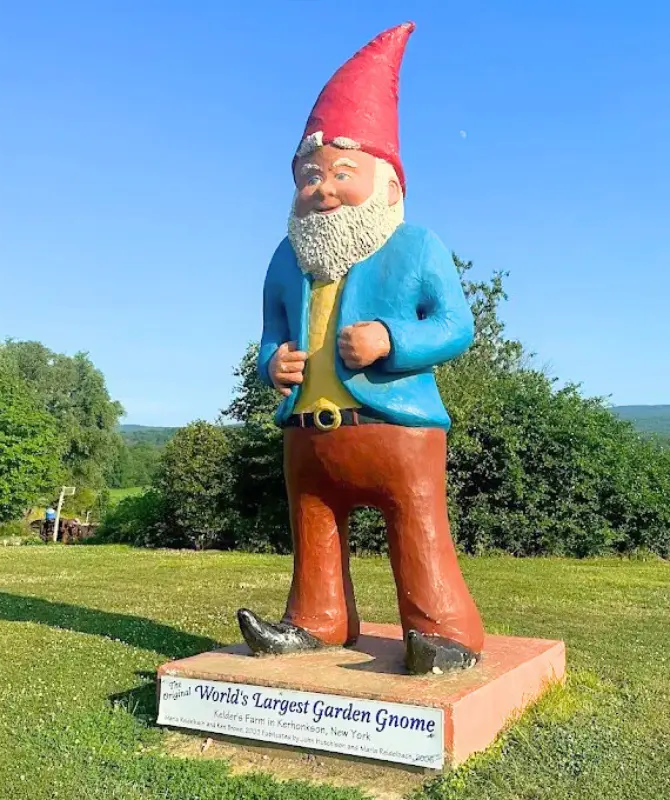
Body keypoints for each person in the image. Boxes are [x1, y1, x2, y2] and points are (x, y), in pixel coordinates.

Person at [236, 22, 485, 674]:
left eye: (342, 173)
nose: (322, 188)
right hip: (308, 432)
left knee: (418, 529)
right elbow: (271, 333)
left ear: (390, 187)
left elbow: (456, 326)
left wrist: (392, 339)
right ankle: (316, 619)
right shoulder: (286, 259)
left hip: (395, 428)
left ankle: (442, 632)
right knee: (313, 530)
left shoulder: (417, 247)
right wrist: (272, 363)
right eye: (308, 175)